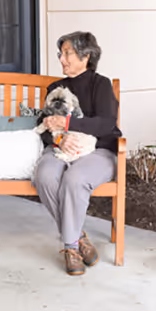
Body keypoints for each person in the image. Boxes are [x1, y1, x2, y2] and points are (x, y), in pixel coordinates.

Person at [34, 31, 122, 276]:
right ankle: (79, 235)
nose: (61, 59)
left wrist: (68, 124)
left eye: (67, 54)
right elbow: (44, 125)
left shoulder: (100, 84)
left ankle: (71, 247)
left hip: (99, 151)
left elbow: (106, 124)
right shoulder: (55, 88)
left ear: (86, 56)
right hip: (61, 148)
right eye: (60, 54)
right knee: (44, 175)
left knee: (75, 180)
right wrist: (60, 138)